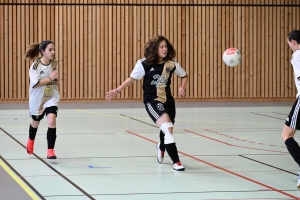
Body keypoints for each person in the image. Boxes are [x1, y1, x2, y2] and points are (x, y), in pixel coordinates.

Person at [106, 35, 188, 171]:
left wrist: (182, 87)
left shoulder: (171, 63)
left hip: (168, 101)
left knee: (168, 128)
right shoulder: (144, 63)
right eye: (161, 47)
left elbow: (184, 76)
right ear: (155, 49)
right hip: (152, 101)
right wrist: (117, 90)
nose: (164, 49)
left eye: (166, 46)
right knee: (168, 128)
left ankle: (161, 146)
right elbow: (131, 79)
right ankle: (177, 162)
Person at [24, 40, 59, 159]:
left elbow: (53, 79)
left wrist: (55, 81)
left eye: (54, 49)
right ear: (42, 51)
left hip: (50, 96)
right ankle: (30, 140)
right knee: (35, 122)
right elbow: (36, 84)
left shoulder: (54, 62)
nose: (53, 52)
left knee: (52, 119)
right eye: (50, 50)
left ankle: (50, 150)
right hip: (37, 98)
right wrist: (50, 78)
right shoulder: (36, 66)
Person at [282, 30, 300, 187]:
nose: (290, 47)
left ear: (293, 42)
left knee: (286, 135)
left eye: (289, 44)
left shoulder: (297, 57)